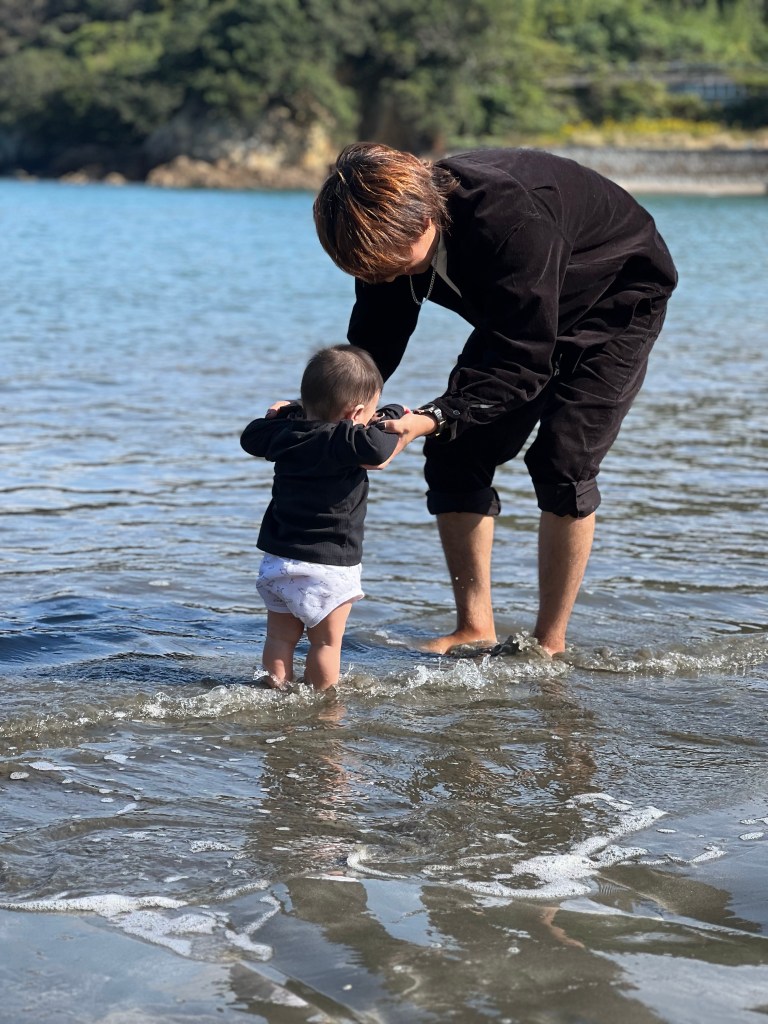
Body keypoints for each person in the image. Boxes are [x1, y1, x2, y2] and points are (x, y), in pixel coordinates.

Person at [313, 142, 678, 657]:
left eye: (393, 265)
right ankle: (473, 628)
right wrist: (327, 414)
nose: (386, 278)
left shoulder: (509, 220)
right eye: (371, 272)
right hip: (520, 309)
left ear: (426, 221)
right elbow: (377, 335)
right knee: (454, 454)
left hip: (617, 293)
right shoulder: (380, 237)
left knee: (563, 461)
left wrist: (432, 416)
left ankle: (549, 644)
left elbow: (521, 361)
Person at [240, 344, 403, 691]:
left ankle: (274, 692)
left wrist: (287, 411)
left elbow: (251, 437)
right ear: (355, 413)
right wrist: (391, 412)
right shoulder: (346, 440)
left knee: (279, 639)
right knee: (326, 644)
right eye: (371, 412)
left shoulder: (286, 434)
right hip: (329, 566)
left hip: (279, 561)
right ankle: (324, 708)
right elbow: (381, 447)